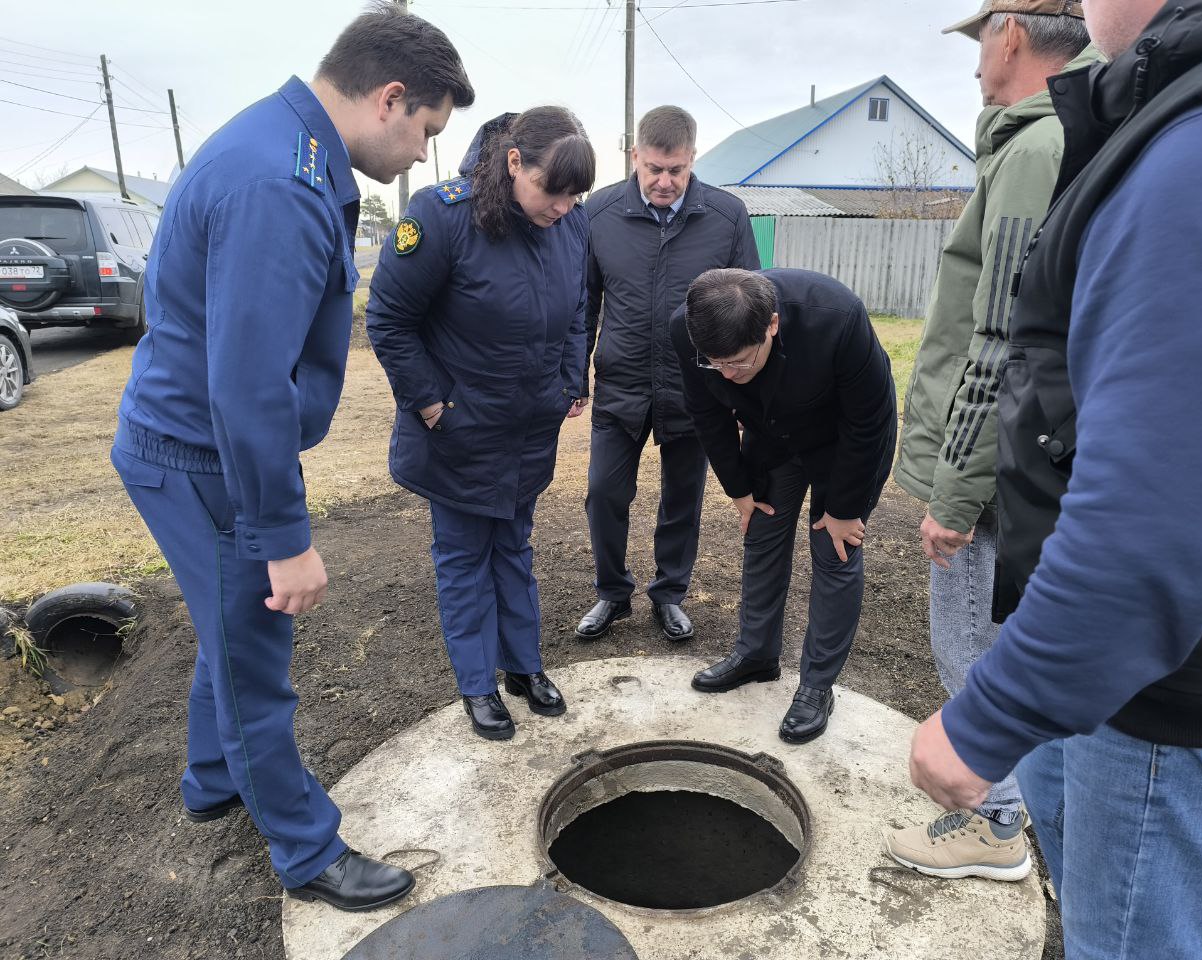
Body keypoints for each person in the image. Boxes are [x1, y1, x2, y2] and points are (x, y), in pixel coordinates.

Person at [909, 0, 1202, 955]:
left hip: (1172, 701)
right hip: (1138, 680)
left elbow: (1159, 510)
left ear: (1008, 34)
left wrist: (996, 713)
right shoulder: (1191, 113)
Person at [111, 3, 473, 911]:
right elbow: (248, 386)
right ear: (390, 98)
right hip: (204, 457)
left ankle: (211, 780)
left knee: (227, 627)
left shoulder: (280, 144)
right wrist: (284, 537)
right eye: (427, 130)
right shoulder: (280, 182)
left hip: (192, 444)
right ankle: (308, 851)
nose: (422, 154)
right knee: (254, 656)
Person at [885, 0, 1094, 882]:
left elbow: (1001, 338)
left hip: (998, 470)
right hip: (1040, 458)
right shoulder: (1071, 134)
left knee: (968, 646)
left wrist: (955, 494)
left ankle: (996, 822)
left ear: (1010, 34)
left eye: (980, 42)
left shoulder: (1034, 148)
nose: (975, 63)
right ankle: (1033, 817)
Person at [365, 107, 594, 743]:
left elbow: (579, 306)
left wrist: (570, 379)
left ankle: (523, 666)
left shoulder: (570, 223)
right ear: (515, 162)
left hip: (528, 428)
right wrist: (431, 405)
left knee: (515, 548)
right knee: (464, 558)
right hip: (459, 429)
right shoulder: (443, 217)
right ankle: (477, 684)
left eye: (575, 196)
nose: (563, 207)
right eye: (552, 190)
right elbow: (389, 320)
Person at [672, 268, 897, 744]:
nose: (726, 375)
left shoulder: (837, 317)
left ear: (771, 325)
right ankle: (756, 655)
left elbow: (869, 421)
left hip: (844, 441)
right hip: (771, 434)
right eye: (716, 364)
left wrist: (844, 509)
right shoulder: (687, 328)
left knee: (834, 552)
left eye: (739, 362)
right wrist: (738, 488)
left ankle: (817, 686)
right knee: (762, 535)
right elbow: (706, 412)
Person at [574, 106, 759, 645]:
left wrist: (743, 396)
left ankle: (669, 594)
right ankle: (612, 592)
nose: (664, 181)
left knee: (683, 497)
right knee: (604, 494)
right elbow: (583, 304)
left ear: (692, 159)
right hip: (622, 382)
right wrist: (574, 376)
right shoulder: (599, 213)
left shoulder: (726, 216)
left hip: (694, 387)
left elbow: (750, 307)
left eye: (676, 169)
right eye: (653, 168)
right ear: (635, 156)